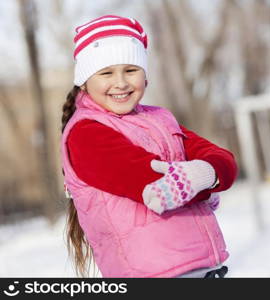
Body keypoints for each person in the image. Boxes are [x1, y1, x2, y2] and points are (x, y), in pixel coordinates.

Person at [60, 15, 238, 278]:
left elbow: (223, 160)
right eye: (106, 73)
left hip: (204, 267)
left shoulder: (161, 119)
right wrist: (203, 179)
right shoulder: (85, 134)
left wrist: (204, 175)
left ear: (145, 75)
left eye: (131, 70)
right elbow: (153, 185)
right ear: (85, 81)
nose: (120, 82)